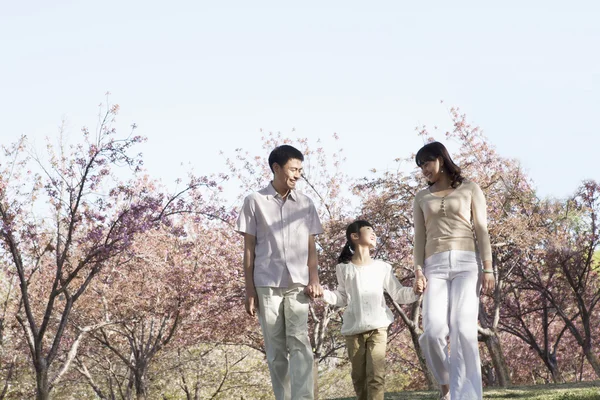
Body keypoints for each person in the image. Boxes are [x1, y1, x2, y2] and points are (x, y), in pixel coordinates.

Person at [235, 144, 323, 400]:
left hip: (298, 283)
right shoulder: (254, 201)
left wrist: (314, 278)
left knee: (300, 343)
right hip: (267, 283)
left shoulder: (306, 204)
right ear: (276, 168)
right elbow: (249, 249)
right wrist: (249, 290)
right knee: (275, 349)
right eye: (293, 169)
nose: (297, 174)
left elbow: (311, 247)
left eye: (300, 170)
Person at [412, 141, 496, 400]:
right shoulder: (421, 197)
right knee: (433, 331)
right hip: (434, 266)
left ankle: (467, 396)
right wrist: (418, 271)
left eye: (426, 163)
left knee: (463, 328)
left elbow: (481, 229)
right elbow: (419, 238)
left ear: (440, 158)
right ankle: (447, 383)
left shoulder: (470, 188)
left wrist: (488, 268)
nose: (424, 169)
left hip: (466, 263)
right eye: (420, 166)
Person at [321, 220, 420, 400]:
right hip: (354, 331)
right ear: (355, 236)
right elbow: (341, 297)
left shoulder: (382, 267)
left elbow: (397, 293)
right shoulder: (343, 268)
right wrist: (323, 294)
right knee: (359, 378)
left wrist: (415, 291)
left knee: (376, 376)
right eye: (369, 230)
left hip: (378, 328)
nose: (374, 233)